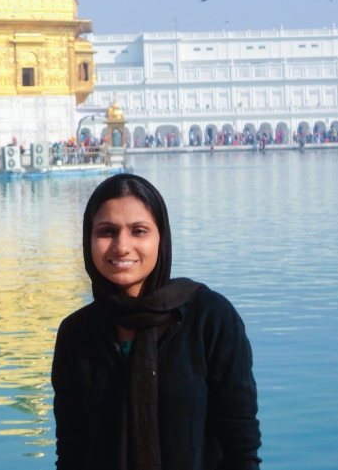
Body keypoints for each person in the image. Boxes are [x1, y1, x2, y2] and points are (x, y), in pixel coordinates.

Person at [52, 174, 261, 469]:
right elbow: (72, 452)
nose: (121, 246)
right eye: (106, 232)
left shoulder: (209, 319)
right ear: (88, 239)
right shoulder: (76, 333)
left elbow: (241, 451)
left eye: (139, 231)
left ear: (160, 237)